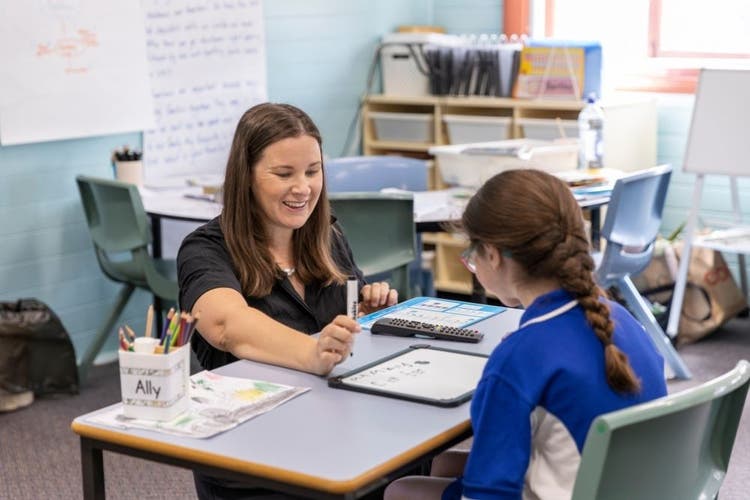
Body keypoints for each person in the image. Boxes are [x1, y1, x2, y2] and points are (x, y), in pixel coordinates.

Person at [384, 169, 667, 500]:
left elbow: (487, 494)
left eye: (472, 253)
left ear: (491, 254)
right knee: (445, 462)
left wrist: (513, 363)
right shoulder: (620, 317)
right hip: (629, 486)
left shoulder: (517, 359)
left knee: (401, 489)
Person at [177, 102, 398, 499]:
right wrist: (313, 352)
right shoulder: (205, 249)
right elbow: (227, 326)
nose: (303, 188)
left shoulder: (327, 237)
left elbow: (346, 319)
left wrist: (363, 314)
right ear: (246, 177)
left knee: (410, 467)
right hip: (254, 455)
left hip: (334, 429)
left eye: (313, 172)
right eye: (284, 174)